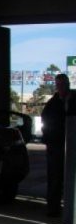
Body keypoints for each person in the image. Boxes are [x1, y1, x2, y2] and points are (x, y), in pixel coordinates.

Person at [41, 73, 73, 216]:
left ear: (68, 84)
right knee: (55, 178)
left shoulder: (74, 99)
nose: (61, 87)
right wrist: (49, 139)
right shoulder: (52, 104)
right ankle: (53, 209)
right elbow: (46, 122)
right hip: (56, 146)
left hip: (72, 146)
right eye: (58, 84)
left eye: (63, 84)